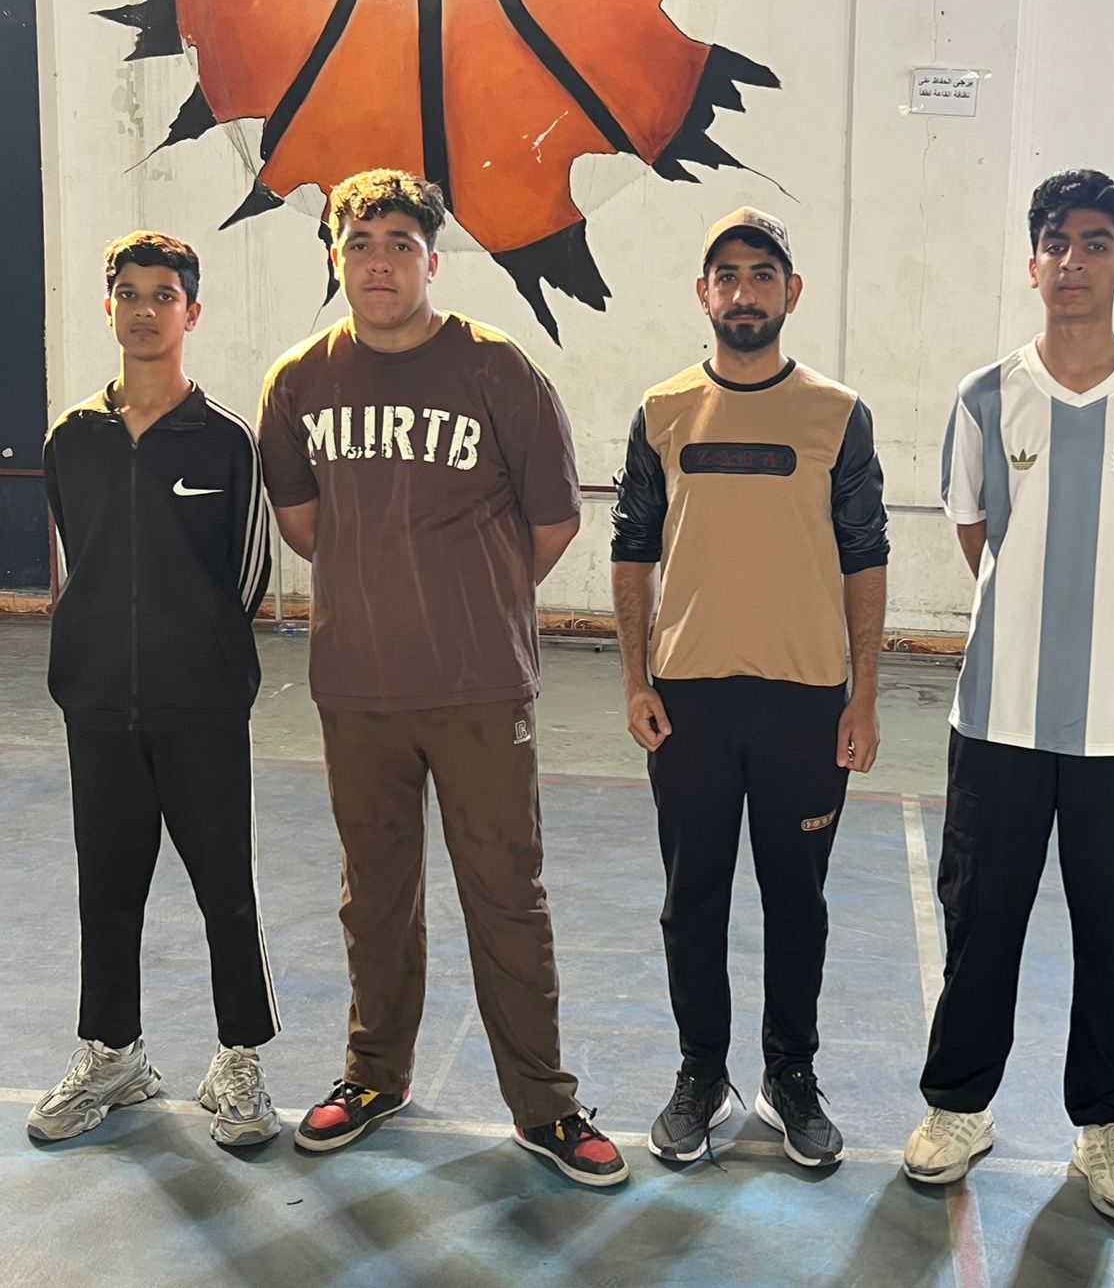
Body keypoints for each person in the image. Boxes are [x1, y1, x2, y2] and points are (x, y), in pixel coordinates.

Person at [256, 168, 626, 1186]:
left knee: (506, 895)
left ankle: (544, 1104)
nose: (379, 262)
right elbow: (305, 525)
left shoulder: (496, 370)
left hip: (478, 688)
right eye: (359, 242)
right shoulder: (298, 381)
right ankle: (374, 1075)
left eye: (400, 245)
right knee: (373, 896)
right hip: (357, 687)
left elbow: (552, 524)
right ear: (335, 256)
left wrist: (471, 597)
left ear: (433, 259)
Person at [900, 170, 1114, 1222]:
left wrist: (1104, 606)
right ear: (1032, 263)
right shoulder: (986, 395)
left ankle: (1105, 1127)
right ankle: (958, 1106)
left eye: (1094, 243)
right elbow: (974, 529)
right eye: (1055, 243)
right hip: (998, 717)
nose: (1073, 261)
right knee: (981, 917)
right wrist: (1035, 601)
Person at [611, 207, 889, 1168]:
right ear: (703, 293)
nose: (743, 290)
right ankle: (701, 1072)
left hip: (805, 702)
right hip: (688, 701)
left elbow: (865, 555)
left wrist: (863, 695)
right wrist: (635, 679)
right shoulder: (662, 411)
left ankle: (790, 1075)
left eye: (762, 274)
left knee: (795, 902)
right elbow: (632, 551)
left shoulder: (837, 415)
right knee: (692, 900)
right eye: (726, 274)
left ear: (790, 292)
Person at [31, 231, 279, 1147]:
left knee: (226, 888)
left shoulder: (226, 441)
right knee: (107, 884)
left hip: (200, 706)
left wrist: (200, 657)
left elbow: (248, 574)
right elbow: (81, 554)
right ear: (108, 308)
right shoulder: (71, 439)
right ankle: (114, 1053)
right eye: (128, 293)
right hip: (97, 704)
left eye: (163, 295)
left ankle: (239, 1057)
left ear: (191, 312)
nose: (145, 309)